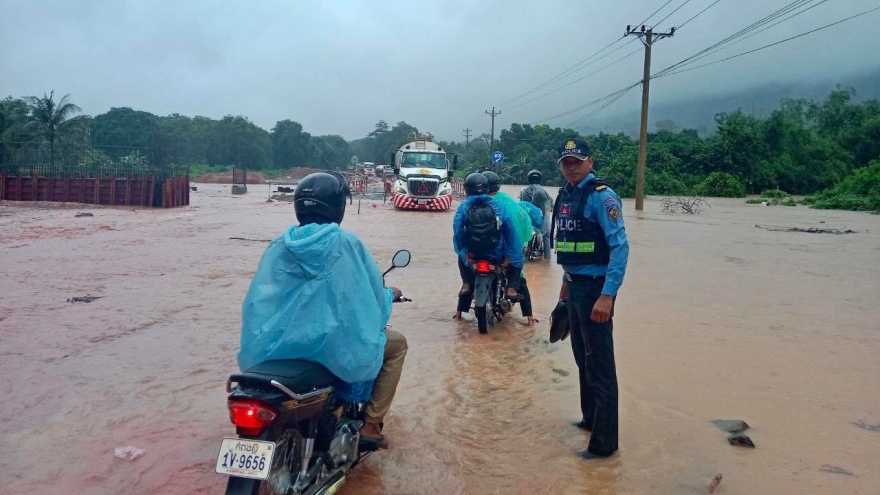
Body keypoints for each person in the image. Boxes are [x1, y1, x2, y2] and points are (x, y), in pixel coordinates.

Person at [237, 172, 408, 449]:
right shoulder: (346, 244)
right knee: (397, 345)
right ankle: (372, 426)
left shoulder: (278, 245)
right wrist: (390, 296)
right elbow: (372, 297)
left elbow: (259, 300)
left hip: (275, 347)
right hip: (331, 348)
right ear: (338, 207)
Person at [553, 138, 629, 460]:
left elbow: (620, 247)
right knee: (582, 358)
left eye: (577, 161)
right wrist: (565, 285)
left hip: (597, 289)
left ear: (590, 162)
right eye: (566, 161)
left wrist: (607, 296)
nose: (571, 166)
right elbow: (570, 245)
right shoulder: (566, 194)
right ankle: (589, 419)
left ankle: (603, 446)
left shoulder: (603, 197)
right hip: (575, 286)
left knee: (600, 365)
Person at [452, 173, 523, 320]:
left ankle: (466, 284)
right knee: (518, 261)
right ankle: (511, 289)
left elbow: (458, 232)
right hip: (496, 253)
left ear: (466, 189)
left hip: (474, 254)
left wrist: (464, 251)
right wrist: (511, 255)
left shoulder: (464, 207)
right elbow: (510, 231)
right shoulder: (499, 206)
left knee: (461, 258)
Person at [519, 169, 554, 259]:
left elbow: (521, 204)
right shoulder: (545, 191)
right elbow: (552, 204)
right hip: (542, 219)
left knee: (522, 235)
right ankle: (547, 259)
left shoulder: (523, 191)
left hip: (527, 219)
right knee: (546, 236)